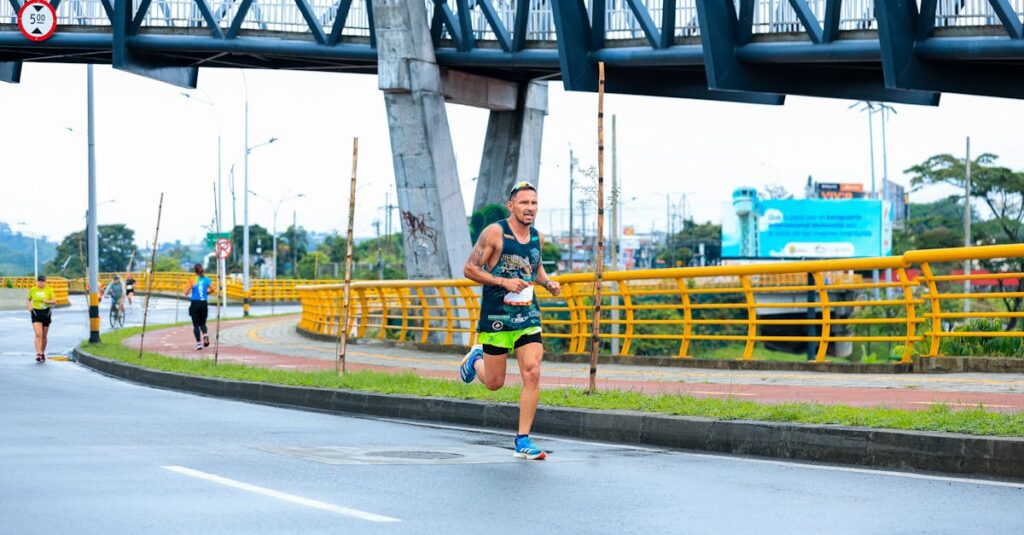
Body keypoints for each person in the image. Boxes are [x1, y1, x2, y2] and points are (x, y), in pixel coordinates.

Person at [460, 181, 561, 460]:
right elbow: (470, 268)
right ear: (511, 206)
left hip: (527, 315)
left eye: (534, 203)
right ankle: (474, 360)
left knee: (533, 370)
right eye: (524, 203)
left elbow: (535, 268)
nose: (530, 208)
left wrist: (548, 282)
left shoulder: (537, 238)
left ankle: (523, 440)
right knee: (494, 383)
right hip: (496, 316)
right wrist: (503, 281)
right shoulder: (495, 233)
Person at [184, 263, 215, 350]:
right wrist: (207, 293)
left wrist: (188, 289)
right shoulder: (207, 279)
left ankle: (198, 344)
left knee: (196, 325)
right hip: (204, 303)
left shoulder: (192, 279)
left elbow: (186, 293)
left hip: (195, 303)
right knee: (203, 323)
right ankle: (205, 334)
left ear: (195, 271)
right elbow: (213, 289)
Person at [27, 275, 57, 362]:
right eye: (39, 281)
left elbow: (54, 301)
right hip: (36, 313)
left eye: (42, 281)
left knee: (44, 336)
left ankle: (43, 352)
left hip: (46, 313)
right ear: (37, 282)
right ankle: (38, 353)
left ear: (45, 282)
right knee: (38, 334)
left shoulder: (49, 289)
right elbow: (28, 299)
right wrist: (29, 306)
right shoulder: (33, 289)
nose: (41, 283)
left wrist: (47, 301)